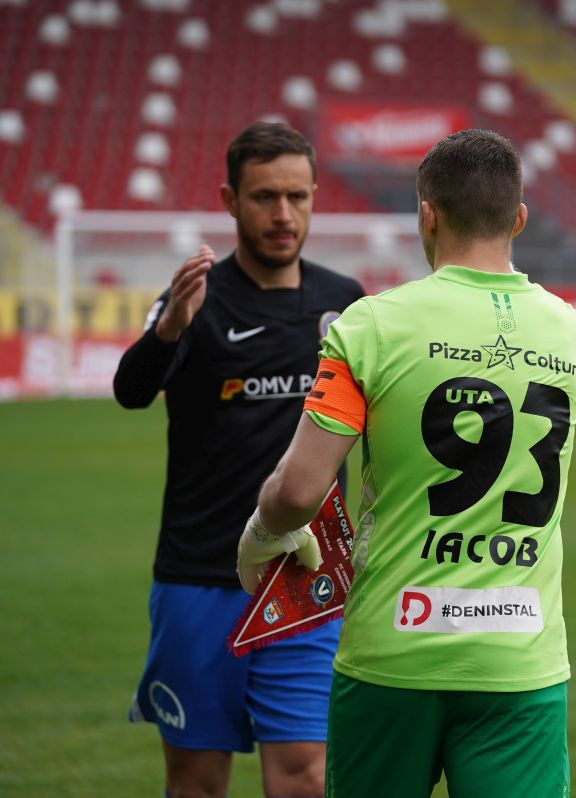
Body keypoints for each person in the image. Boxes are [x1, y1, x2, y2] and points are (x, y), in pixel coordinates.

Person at [239, 128, 576, 798]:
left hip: (391, 654)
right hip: (518, 657)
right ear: (517, 218)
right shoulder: (571, 331)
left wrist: (260, 534)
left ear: (427, 215)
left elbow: (299, 491)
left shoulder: (370, 326)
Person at [114, 121, 364, 798]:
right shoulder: (198, 298)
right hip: (200, 578)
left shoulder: (347, 303)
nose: (283, 215)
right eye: (263, 197)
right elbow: (131, 390)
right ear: (230, 199)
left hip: (305, 578)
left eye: (297, 196)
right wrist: (169, 329)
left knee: (305, 777)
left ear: (315, 197)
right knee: (196, 782)